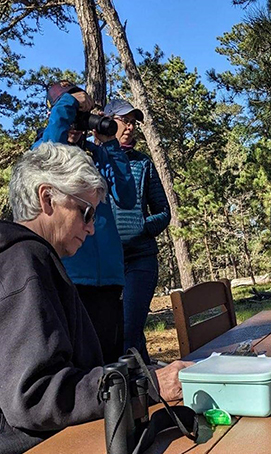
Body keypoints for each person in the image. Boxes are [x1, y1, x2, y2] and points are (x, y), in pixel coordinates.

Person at [0, 143, 188, 454]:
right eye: (85, 212)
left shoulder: (22, 260)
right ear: (46, 199)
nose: (90, 227)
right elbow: (35, 396)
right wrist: (148, 386)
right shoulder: (21, 263)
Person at [35, 81, 137, 364]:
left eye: (79, 118)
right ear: (56, 114)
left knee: (112, 367)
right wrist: (70, 104)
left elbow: (127, 197)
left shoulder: (96, 155)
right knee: (80, 369)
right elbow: (49, 156)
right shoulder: (44, 149)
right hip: (70, 279)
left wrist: (110, 146)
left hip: (109, 280)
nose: (75, 125)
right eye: (69, 116)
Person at [105, 98, 171, 364]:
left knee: (128, 332)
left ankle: (135, 396)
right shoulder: (95, 159)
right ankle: (150, 388)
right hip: (107, 264)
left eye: (133, 122)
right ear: (108, 120)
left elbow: (164, 212)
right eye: (125, 120)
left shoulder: (142, 163)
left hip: (140, 259)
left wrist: (141, 227)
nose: (130, 127)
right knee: (119, 334)